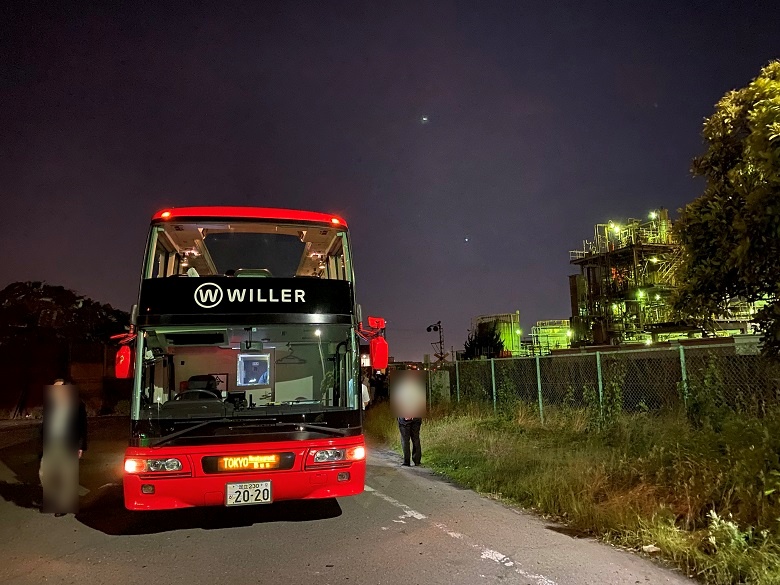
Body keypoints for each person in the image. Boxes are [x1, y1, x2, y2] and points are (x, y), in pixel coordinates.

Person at [39, 380, 87, 517]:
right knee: (44, 473)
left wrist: (80, 446)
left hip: (69, 443)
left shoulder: (78, 405)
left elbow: (82, 427)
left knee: (67, 476)